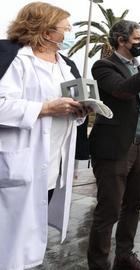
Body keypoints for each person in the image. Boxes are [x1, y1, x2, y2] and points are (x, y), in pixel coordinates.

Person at [0, 2, 90, 269]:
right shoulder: (11, 56)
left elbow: (72, 103)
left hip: (53, 163)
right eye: (65, 28)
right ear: (46, 29)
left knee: (32, 229)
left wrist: (80, 111)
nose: (69, 32)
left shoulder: (67, 64)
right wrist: (44, 108)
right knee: (10, 232)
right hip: (18, 159)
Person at [87, 20, 140, 270]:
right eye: (136, 39)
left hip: (139, 147)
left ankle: (125, 256)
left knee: (133, 205)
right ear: (120, 41)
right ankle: (99, 264)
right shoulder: (104, 66)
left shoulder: (138, 67)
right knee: (108, 210)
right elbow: (123, 91)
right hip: (113, 148)